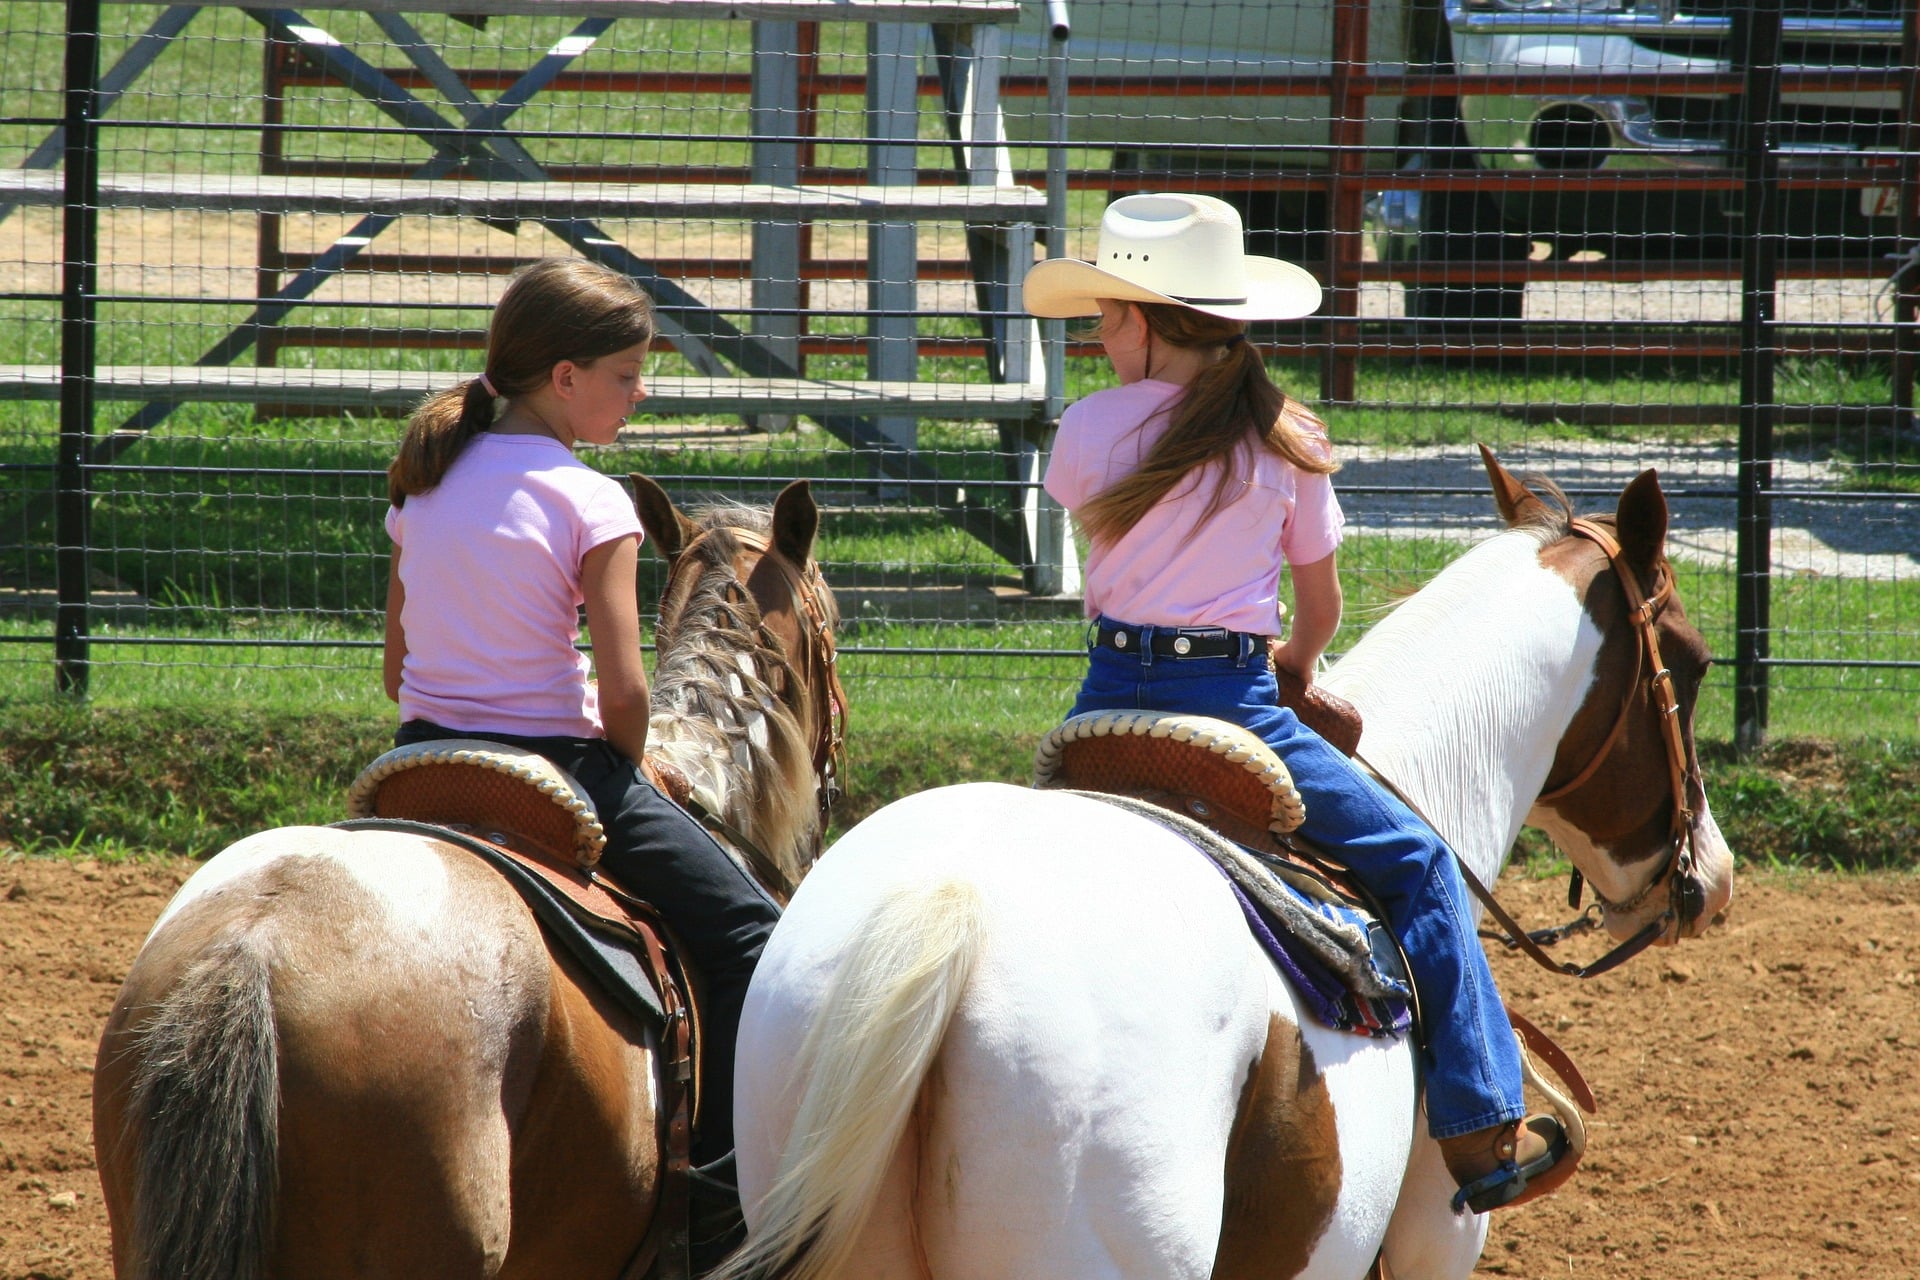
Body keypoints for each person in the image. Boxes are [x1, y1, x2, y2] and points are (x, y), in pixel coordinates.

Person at [1023, 193, 1571, 1215]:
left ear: (1148, 319)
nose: (1098, 337)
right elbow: (1317, 609)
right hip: (1235, 701)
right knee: (1418, 865)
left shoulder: (1088, 428)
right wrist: (1297, 664)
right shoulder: (1288, 439)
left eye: (1105, 317)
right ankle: (1485, 1127)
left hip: (1104, 695)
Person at [381, 256, 775, 1252]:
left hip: (420, 756)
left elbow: (397, 669)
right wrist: (627, 766)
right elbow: (628, 691)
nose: (640, 397)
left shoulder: (422, 484)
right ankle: (726, 1198)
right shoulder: (591, 503)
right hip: (557, 764)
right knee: (755, 941)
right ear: (564, 376)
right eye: (627, 376)